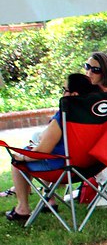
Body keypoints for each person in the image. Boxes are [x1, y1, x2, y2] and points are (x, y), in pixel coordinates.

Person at [5, 74, 99, 223]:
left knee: (17, 161)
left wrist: (22, 157)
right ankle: (49, 201)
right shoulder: (99, 115)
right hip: (92, 168)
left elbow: (41, 153)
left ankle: (22, 209)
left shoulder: (63, 116)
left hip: (65, 169)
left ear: (73, 95)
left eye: (64, 89)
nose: (63, 93)